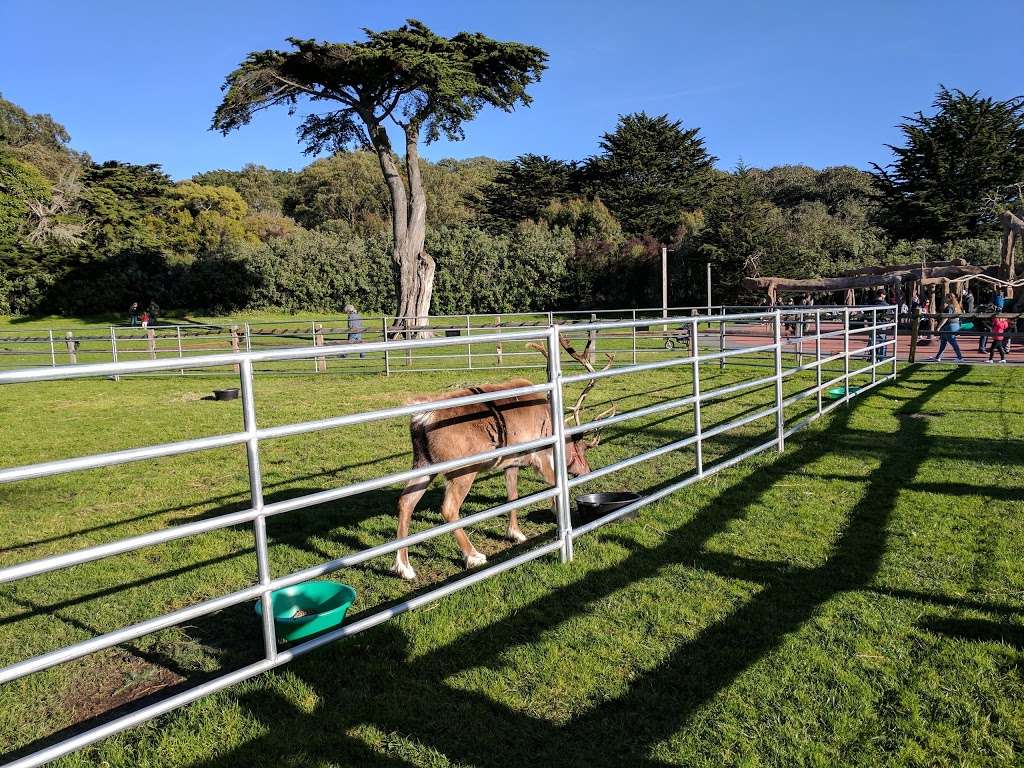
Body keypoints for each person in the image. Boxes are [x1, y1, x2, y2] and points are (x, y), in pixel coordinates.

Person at [929, 294, 964, 363]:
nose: (944, 299)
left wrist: (939, 327)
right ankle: (938, 357)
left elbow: (946, 318)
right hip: (954, 325)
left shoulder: (950, 307)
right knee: (943, 342)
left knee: (953, 342)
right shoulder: (956, 306)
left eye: (946, 298)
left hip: (950, 326)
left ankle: (960, 357)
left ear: (949, 298)